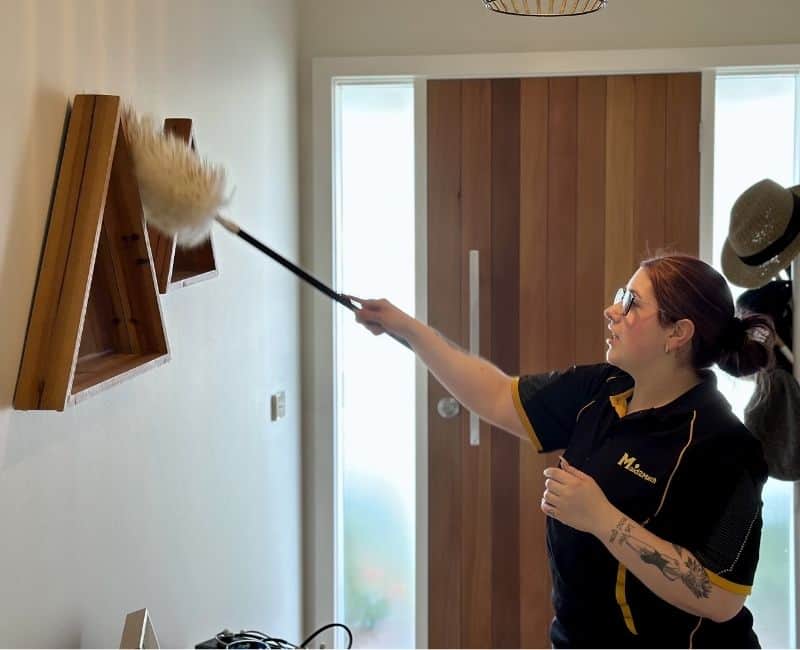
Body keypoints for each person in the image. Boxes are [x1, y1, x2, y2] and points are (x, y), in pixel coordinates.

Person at [348, 253, 775, 648]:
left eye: (630, 303)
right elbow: (496, 395)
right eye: (617, 297)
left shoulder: (728, 449)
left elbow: (720, 596)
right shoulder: (601, 389)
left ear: (678, 333)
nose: (612, 311)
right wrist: (407, 329)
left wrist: (601, 518)